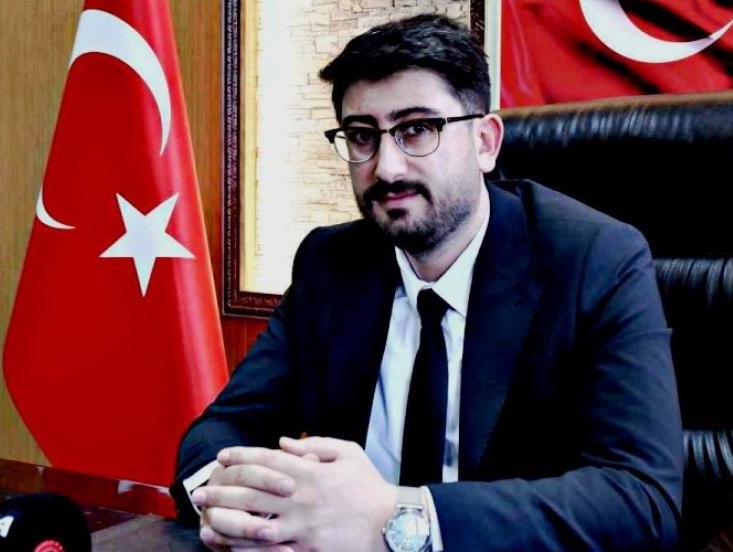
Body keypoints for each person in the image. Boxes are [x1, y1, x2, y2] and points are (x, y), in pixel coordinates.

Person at [171, 13, 683, 552]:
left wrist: (398, 519)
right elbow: (216, 434)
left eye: (416, 129)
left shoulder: (594, 260)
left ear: (485, 142)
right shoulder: (330, 263)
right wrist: (241, 512)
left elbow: (642, 500)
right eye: (362, 136)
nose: (386, 168)